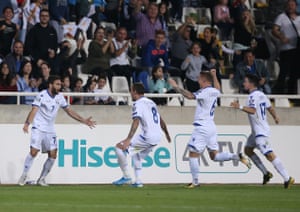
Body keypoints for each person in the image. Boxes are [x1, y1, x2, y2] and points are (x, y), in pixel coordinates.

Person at [168, 70, 251, 188]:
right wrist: (214, 76)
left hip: (202, 127)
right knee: (215, 156)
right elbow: (218, 87)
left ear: (204, 81)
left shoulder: (204, 91)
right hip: (211, 126)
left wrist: (176, 87)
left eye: (199, 79)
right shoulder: (213, 91)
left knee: (193, 154)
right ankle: (237, 156)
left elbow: (190, 96)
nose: (198, 81)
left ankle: (195, 182)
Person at [18, 75, 96, 186]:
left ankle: (42, 179)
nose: (59, 87)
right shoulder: (42, 95)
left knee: (53, 155)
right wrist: (27, 124)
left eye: (60, 84)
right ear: (51, 85)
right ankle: (24, 175)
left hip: (50, 129)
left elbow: (69, 111)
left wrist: (84, 120)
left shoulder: (60, 97)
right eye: (57, 84)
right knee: (34, 152)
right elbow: (34, 110)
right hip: (39, 127)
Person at [230, 74, 295, 188]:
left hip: (260, 132)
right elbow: (270, 107)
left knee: (269, 155)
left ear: (251, 84)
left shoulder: (252, 97)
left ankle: (287, 178)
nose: (244, 84)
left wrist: (239, 107)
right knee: (248, 150)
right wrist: (275, 117)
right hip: (257, 131)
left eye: (245, 82)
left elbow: (252, 110)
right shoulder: (261, 94)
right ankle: (266, 173)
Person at [112, 82, 171, 187]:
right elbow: (160, 119)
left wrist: (128, 139)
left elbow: (136, 121)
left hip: (148, 136)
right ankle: (138, 181)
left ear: (135, 91)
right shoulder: (151, 102)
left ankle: (126, 177)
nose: (130, 93)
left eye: (131, 91)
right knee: (137, 154)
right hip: (158, 136)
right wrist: (166, 133)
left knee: (119, 147)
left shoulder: (138, 103)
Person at [272, 0, 300, 94]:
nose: (290, 7)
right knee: (283, 73)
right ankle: (278, 94)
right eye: (289, 5)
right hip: (286, 49)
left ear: (296, 6)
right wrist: (281, 37)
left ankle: (292, 95)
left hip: (297, 48)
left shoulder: (299, 18)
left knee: (294, 74)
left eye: (292, 5)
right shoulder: (282, 17)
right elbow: (275, 30)